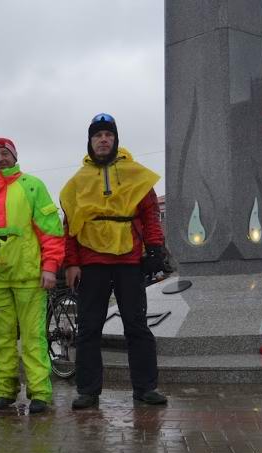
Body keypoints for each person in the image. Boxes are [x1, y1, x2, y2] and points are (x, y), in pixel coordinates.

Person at [60, 113, 168, 410]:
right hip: (91, 260)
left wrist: (155, 249)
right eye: (98, 135)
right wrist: (71, 263)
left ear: (115, 139)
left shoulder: (136, 174)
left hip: (129, 259)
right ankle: (88, 391)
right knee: (89, 328)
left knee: (136, 325)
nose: (103, 139)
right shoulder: (78, 181)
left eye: (108, 134)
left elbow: (149, 213)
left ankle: (145, 387)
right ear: (90, 142)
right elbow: (69, 225)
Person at [0, 137, 64, 414]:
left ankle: (40, 393)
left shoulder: (33, 186)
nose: (0, 159)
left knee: (34, 337)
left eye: (4, 154)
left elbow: (51, 231)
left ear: (14, 156)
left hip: (29, 278)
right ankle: (5, 392)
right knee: (0, 341)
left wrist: (49, 267)